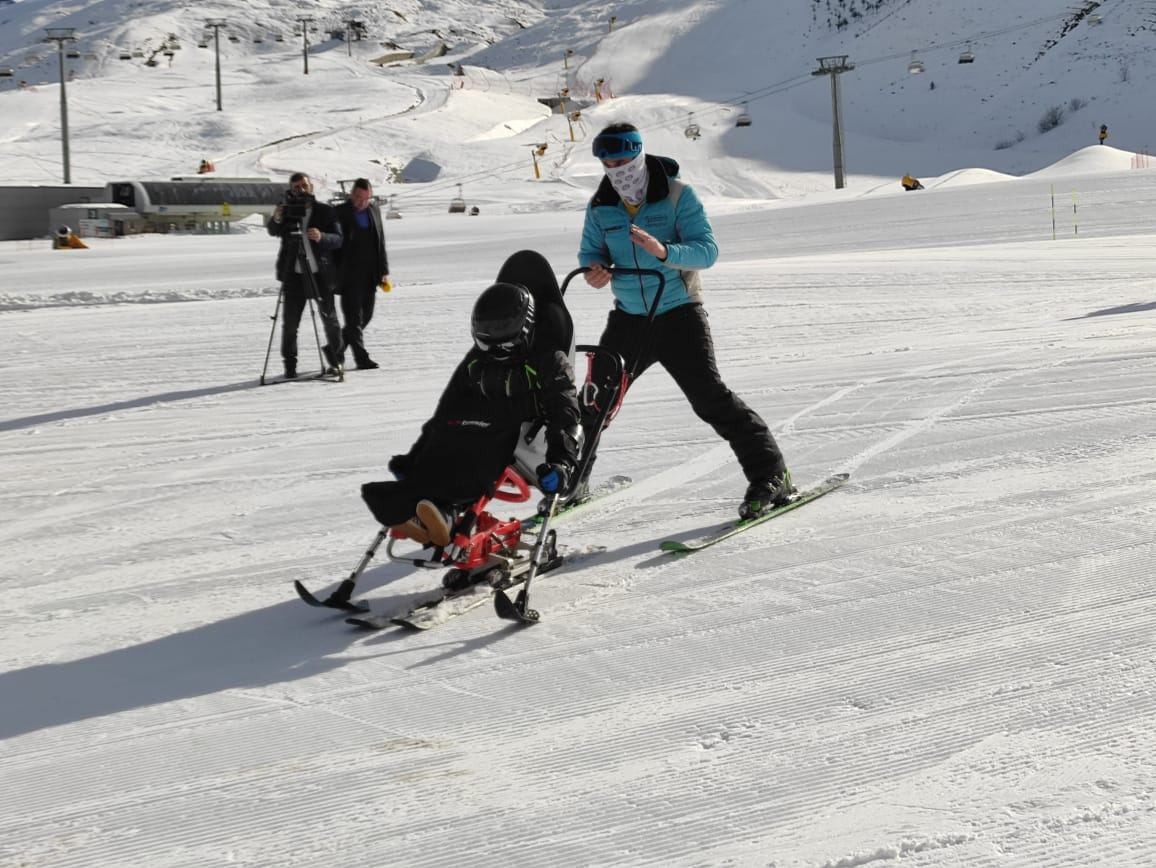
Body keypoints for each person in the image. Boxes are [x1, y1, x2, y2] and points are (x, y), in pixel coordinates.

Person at [576, 122, 791, 520]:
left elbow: (707, 251)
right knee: (594, 403)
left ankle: (772, 475)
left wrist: (663, 251)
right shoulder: (601, 205)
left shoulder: (677, 195)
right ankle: (572, 483)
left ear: (639, 155)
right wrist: (593, 269)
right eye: (607, 163)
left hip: (679, 314)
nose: (615, 169)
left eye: (622, 160)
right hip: (629, 319)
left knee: (710, 398)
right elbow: (590, 251)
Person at [361, 252, 581, 547]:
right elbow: (448, 408)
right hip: (483, 424)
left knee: (480, 446)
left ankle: (446, 510)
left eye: (501, 342)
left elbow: (564, 412)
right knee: (449, 430)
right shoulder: (479, 359)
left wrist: (561, 462)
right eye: (484, 341)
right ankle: (426, 508)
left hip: (527, 437)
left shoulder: (548, 359)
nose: (492, 350)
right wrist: (415, 458)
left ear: (524, 330)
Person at [266, 172, 344, 379]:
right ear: (290, 190)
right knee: (290, 324)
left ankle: (337, 362)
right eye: (296, 187)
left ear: (311, 187)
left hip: (321, 275)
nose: (300, 190)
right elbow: (273, 230)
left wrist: (322, 236)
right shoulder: (287, 211)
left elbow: (338, 239)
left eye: (304, 186)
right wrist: (277, 216)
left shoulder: (326, 212)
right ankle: (290, 366)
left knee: (330, 321)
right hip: (294, 276)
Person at [334, 178, 389, 370]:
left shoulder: (374, 211)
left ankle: (335, 348)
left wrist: (383, 271)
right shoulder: (339, 212)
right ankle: (361, 358)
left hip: (370, 275)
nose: (361, 202)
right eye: (358, 197)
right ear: (351, 194)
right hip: (348, 275)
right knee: (354, 320)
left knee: (366, 315)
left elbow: (380, 243)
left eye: (365, 198)